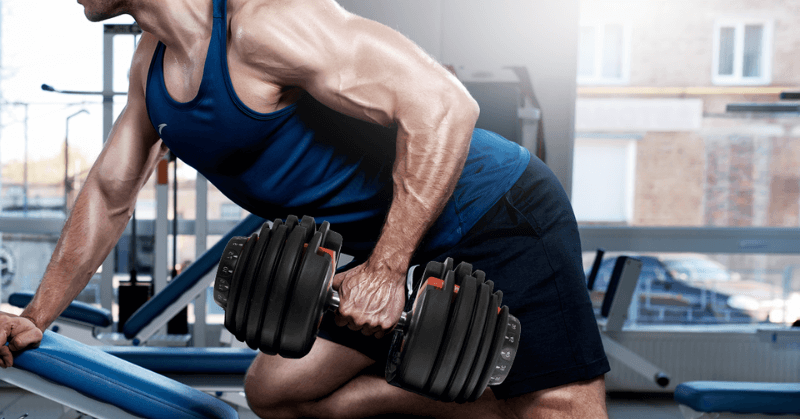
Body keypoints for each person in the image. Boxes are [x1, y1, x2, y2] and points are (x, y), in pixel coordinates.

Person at [0, 0, 610, 417]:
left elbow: (446, 106)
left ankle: (537, 400)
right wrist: (36, 316)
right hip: (396, 239)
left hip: (495, 210)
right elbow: (110, 193)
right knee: (281, 392)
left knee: (564, 406)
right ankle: (505, 403)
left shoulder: (267, 24)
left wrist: (385, 270)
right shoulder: (152, 64)